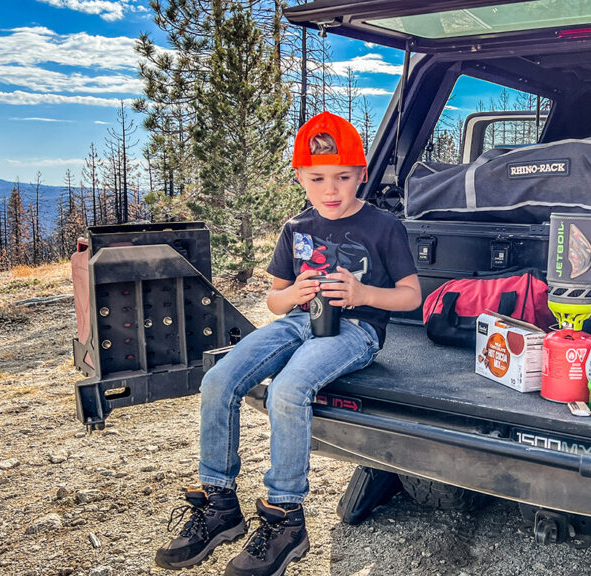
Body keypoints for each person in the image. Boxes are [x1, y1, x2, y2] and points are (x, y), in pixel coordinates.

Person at [154, 111, 421, 576]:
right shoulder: (295, 228)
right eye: (317, 177)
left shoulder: (383, 227)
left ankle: (285, 520)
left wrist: (362, 295)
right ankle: (219, 505)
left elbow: (411, 295)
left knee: (289, 389)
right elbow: (275, 300)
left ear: (361, 175)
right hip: (299, 320)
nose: (331, 189)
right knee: (218, 380)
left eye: (343, 176)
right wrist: (292, 295)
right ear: (300, 177)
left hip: (355, 331)